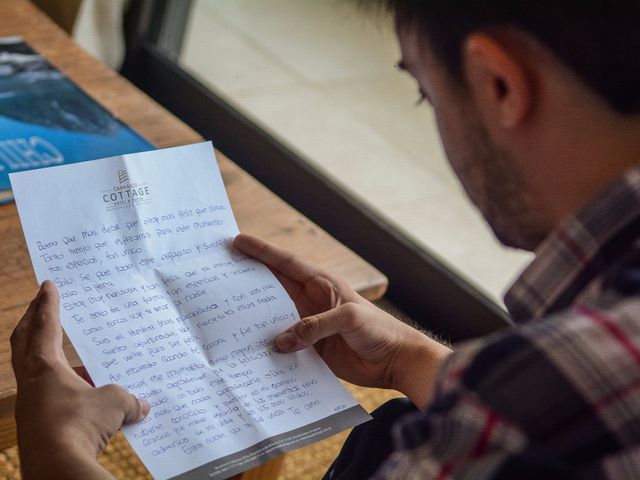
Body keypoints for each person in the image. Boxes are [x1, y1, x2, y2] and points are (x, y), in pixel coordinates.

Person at [11, 0, 640, 478]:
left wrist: (56, 452)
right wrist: (411, 360)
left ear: (499, 83)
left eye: (425, 92)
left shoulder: (520, 413)